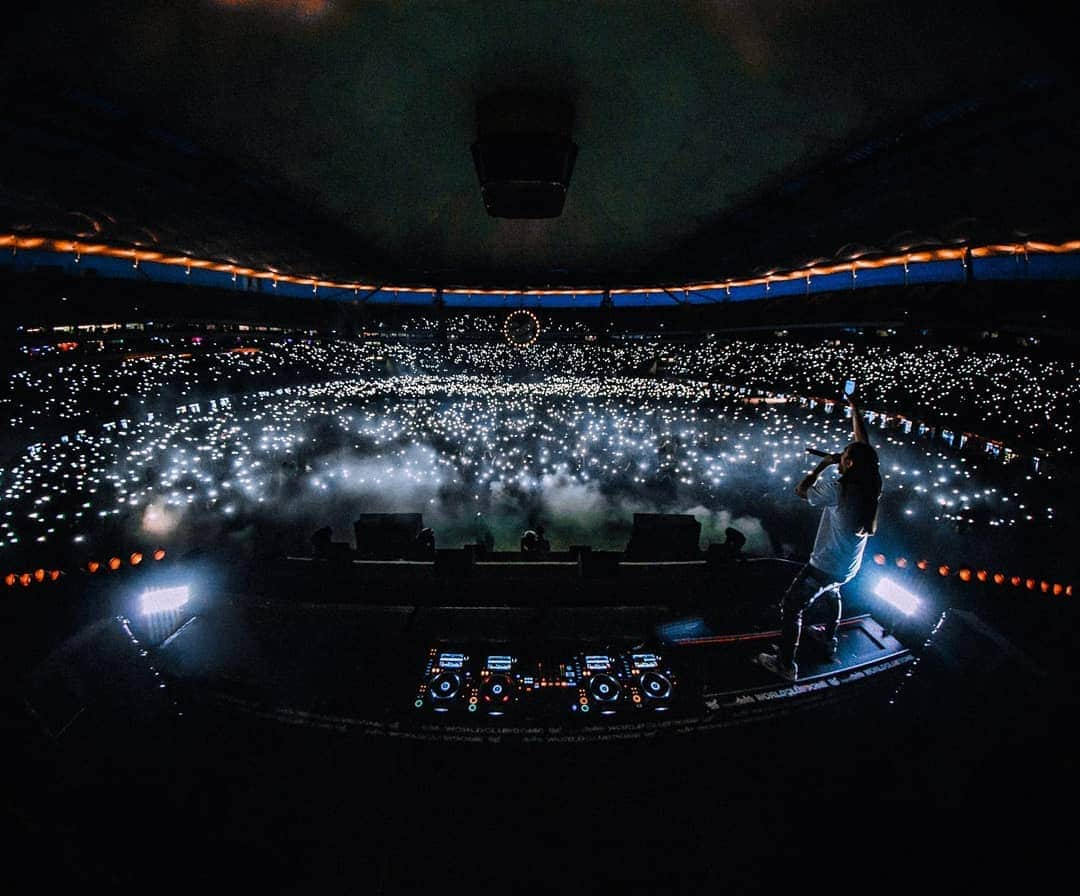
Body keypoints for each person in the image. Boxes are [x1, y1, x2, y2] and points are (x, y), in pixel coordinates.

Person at [758, 393, 882, 681]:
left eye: (845, 455)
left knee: (791, 607)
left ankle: (785, 665)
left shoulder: (837, 489)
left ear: (849, 464)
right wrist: (855, 408)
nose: (842, 455)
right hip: (847, 566)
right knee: (833, 592)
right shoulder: (873, 480)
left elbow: (801, 491)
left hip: (824, 565)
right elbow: (864, 446)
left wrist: (823, 464)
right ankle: (828, 641)